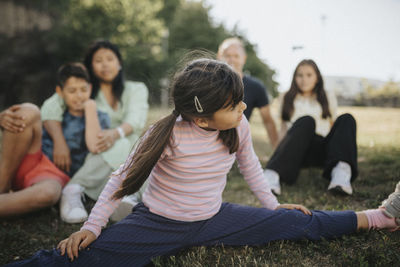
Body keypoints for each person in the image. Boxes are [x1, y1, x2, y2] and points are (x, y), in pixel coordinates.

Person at [5, 59, 399, 267]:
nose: (244, 107)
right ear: (202, 118)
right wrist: (92, 226)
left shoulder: (238, 126)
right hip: (156, 222)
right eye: (235, 104)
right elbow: (121, 179)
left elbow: (250, 169)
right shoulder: (167, 134)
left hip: (214, 217)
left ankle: (381, 215)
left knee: (299, 221)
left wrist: (272, 206)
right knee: (81, 258)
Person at [40, 40, 149, 223]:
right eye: (98, 60)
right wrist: (58, 141)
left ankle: (78, 187)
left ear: (119, 63)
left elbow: (135, 119)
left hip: (124, 147)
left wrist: (115, 134)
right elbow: (51, 106)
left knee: (128, 142)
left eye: (110, 59)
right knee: (124, 145)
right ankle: (127, 194)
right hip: (96, 150)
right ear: (90, 66)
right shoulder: (85, 90)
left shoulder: (136, 88)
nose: (105, 64)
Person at [263, 59, 357, 196]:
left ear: (317, 78)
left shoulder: (327, 96)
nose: (304, 80)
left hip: (322, 148)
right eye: (299, 75)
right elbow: (283, 129)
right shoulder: (286, 97)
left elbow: (332, 125)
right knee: (307, 121)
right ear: (294, 78)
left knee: (347, 118)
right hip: (297, 150)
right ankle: (272, 174)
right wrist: (277, 156)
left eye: (309, 75)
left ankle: (341, 175)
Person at [0, 102, 68, 217]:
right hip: (30, 156)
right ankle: (2, 185)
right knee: (29, 111)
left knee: (48, 192)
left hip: (49, 175)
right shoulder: (57, 104)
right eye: (73, 91)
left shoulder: (102, 115)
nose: (79, 95)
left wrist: (110, 133)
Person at [217, 37, 279, 148]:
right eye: (227, 55)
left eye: (236, 56)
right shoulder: (208, 82)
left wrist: (278, 151)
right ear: (219, 56)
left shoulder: (256, 87)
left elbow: (268, 121)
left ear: (244, 59)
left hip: (236, 141)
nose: (231, 60)